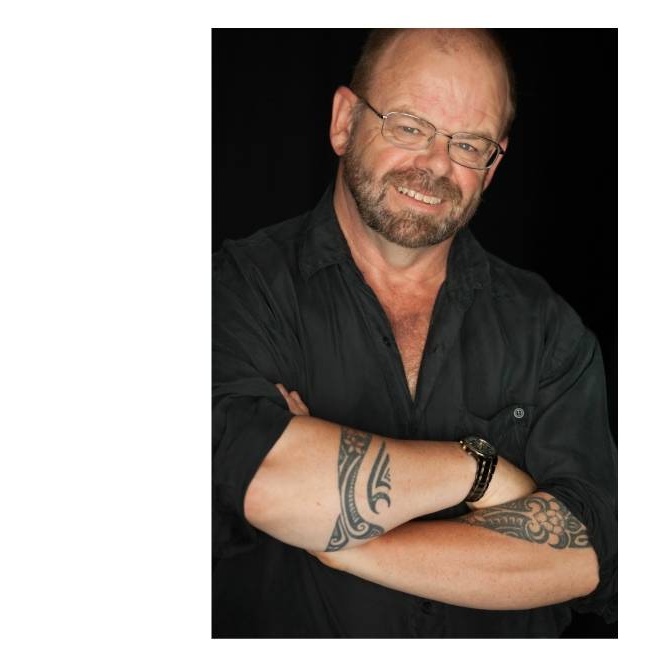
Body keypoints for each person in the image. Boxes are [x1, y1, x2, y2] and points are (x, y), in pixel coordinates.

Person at [213, 28, 617, 638]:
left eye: (469, 143)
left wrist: (338, 542)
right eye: (409, 126)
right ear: (345, 122)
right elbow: (262, 482)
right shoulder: (235, 291)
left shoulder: (548, 331)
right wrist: (478, 470)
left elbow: (586, 552)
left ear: (493, 164)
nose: (435, 165)